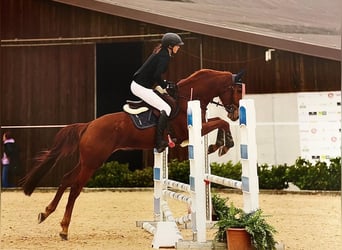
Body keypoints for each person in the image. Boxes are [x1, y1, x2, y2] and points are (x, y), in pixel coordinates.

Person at [130, 32, 184, 153]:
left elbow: (154, 75)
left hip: (142, 85)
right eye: (177, 45)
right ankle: (159, 142)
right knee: (166, 108)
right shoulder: (164, 56)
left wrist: (164, 83)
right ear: (170, 46)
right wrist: (164, 85)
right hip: (140, 87)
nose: (179, 47)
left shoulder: (163, 53)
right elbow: (156, 75)